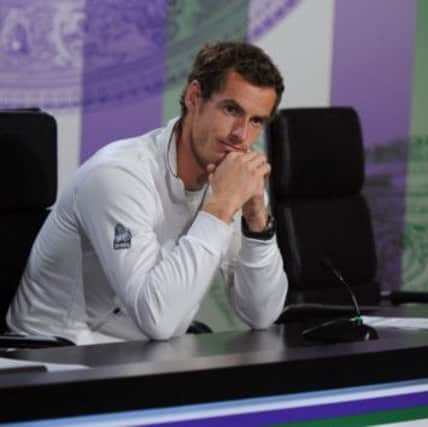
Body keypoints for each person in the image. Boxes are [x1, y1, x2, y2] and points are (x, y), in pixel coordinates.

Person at [6, 41, 288, 345]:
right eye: (231, 109)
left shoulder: (232, 181)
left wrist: (256, 220)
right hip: (55, 352)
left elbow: (261, 315)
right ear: (195, 97)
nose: (241, 135)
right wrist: (219, 208)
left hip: (142, 353)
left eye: (256, 120)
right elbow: (158, 319)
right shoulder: (118, 175)